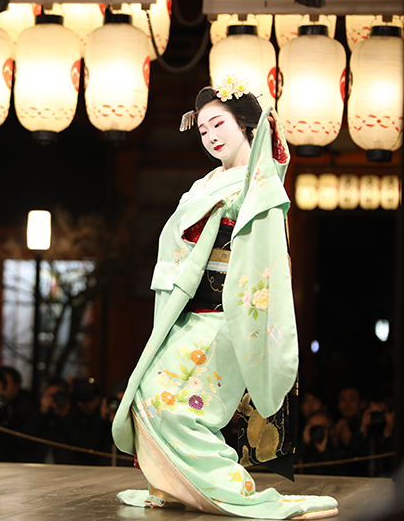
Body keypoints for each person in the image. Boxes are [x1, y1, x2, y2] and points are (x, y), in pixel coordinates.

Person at [111, 77, 338, 518]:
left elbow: (271, 172)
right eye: (203, 130)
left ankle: (227, 488)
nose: (211, 136)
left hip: (227, 314)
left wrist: (267, 131)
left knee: (168, 403)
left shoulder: (260, 178)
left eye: (219, 124)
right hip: (190, 313)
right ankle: (180, 486)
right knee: (146, 397)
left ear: (246, 124)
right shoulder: (207, 182)